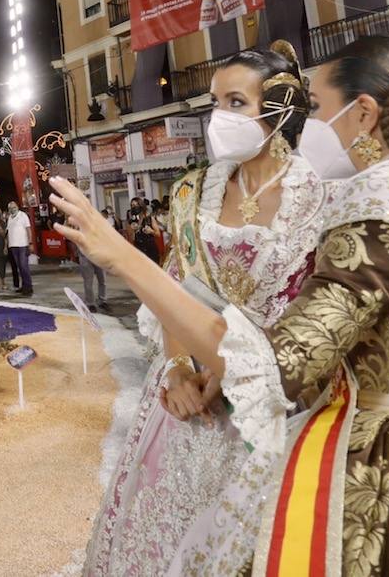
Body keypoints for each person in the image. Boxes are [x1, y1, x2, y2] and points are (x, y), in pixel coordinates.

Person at [61, 22, 389, 576]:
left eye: (316, 108)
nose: (310, 123)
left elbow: (278, 365)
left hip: (378, 465)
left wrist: (120, 256)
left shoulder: (375, 205)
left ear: (363, 114)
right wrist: (181, 363)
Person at [83, 43, 324, 575]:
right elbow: (175, 291)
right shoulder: (194, 193)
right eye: (216, 102)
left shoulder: (321, 199)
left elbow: (317, 312)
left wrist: (232, 368)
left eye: (236, 102)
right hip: (183, 405)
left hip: (275, 409)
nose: (219, 117)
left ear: (280, 107)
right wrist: (175, 370)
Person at [6, 200, 33, 297]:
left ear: (17, 206)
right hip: (13, 246)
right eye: (10, 208)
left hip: (22, 245)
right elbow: (9, 232)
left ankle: (29, 287)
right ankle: (24, 285)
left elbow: (28, 229)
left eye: (13, 207)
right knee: (19, 267)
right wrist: (8, 245)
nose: (12, 209)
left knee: (24, 266)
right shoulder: (10, 218)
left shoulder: (23, 216)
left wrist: (30, 243)